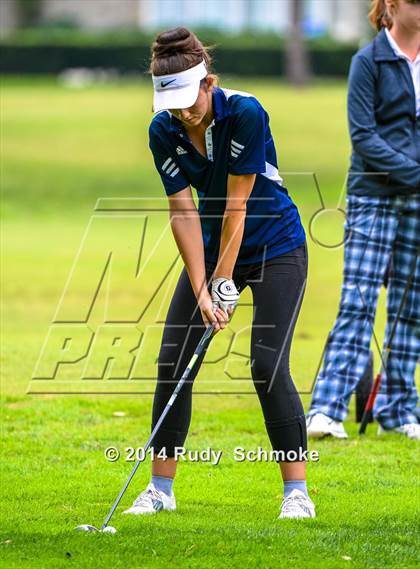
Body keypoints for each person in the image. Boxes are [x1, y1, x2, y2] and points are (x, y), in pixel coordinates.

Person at [122, 27, 315, 519]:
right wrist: (200, 283)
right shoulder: (161, 130)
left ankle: (297, 494)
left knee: (267, 367)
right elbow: (183, 213)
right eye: (174, 104)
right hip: (209, 250)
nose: (184, 112)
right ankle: (160, 491)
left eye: (191, 100)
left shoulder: (245, 112)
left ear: (209, 82)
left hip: (276, 247)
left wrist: (221, 287)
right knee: (173, 362)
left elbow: (237, 206)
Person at [307, 0, 420, 440]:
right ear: (392, 5)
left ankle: (397, 408)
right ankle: (326, 409)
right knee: (357, 301)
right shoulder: (367, 61)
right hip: (372, 196)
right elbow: (364, 138)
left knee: (410, 309)